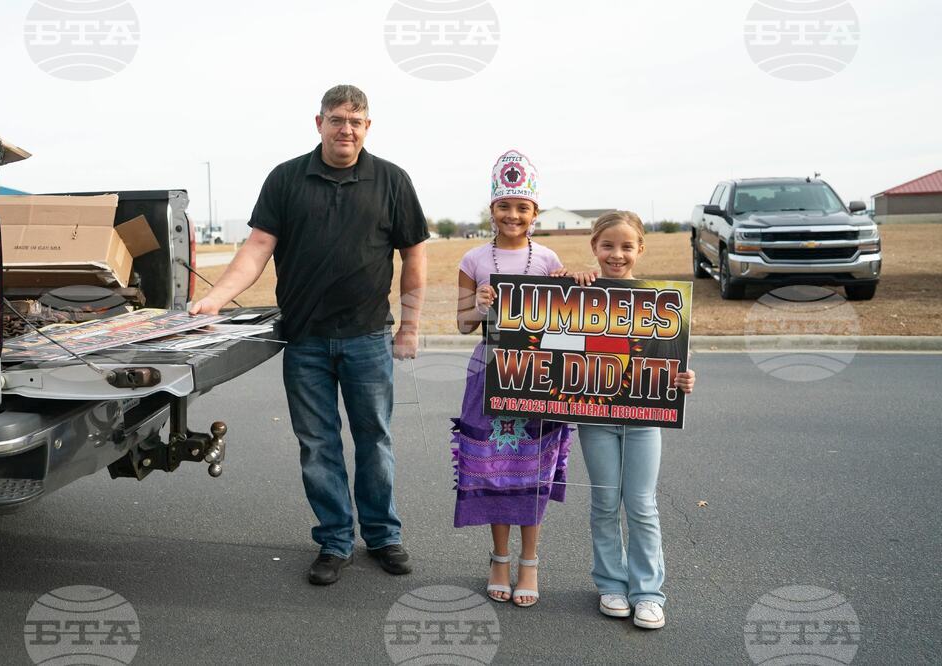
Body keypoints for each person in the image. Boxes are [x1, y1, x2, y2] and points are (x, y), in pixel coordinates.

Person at [190, 84, 429, 586]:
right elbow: (257, 248)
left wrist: (409, 325)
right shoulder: (286, 179)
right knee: (318, 445)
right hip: (304, 340)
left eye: (356, 121)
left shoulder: (392, 180)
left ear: (368, 127)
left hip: (368, 337)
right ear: (318, 122)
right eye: (337, 119)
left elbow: (414, 257)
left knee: (375, 440)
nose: (346, 129)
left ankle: (383, 535)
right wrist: (215, 298)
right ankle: (335, 540)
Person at [563, 210, 696, 629]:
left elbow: (673, 360)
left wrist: (685, 378)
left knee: (640, 505)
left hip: (643, 418)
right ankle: (610, 585)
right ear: (594, 248)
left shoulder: (660, 301)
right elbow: (548, 330)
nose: (616, 255)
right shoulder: (579, 293)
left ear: (640, 249)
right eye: (607, 246)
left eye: (625, 246)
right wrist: (569, 280)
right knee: (604, 503)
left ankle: (648, 593)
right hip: (595, 418)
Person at [452, 149, 572, 608]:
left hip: (537, 376)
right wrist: (478, 306)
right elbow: (461, 324)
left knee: (532, 468)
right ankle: (498, 558)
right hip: (489, 373)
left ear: (535, 212)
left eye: (522, 207)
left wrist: (569, 285)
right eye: (505, 206)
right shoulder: (473, 259)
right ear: (492, 210)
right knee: (494, 468)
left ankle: (530, 562)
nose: (513, 215)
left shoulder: (547, 258)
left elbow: (566, 324)